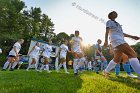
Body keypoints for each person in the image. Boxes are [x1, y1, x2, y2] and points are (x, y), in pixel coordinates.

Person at [104, 11, 140, 82]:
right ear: (110, 15)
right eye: (114, 12)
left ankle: (106, 71)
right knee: (132, 54)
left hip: (118, 39)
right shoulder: (109, 21)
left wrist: (132, 36)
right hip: (116, 39)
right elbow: (107, 31)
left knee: (117, 59)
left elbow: (122, 33)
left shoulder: (118, 24)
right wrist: (106, 41)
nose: (116, 13)